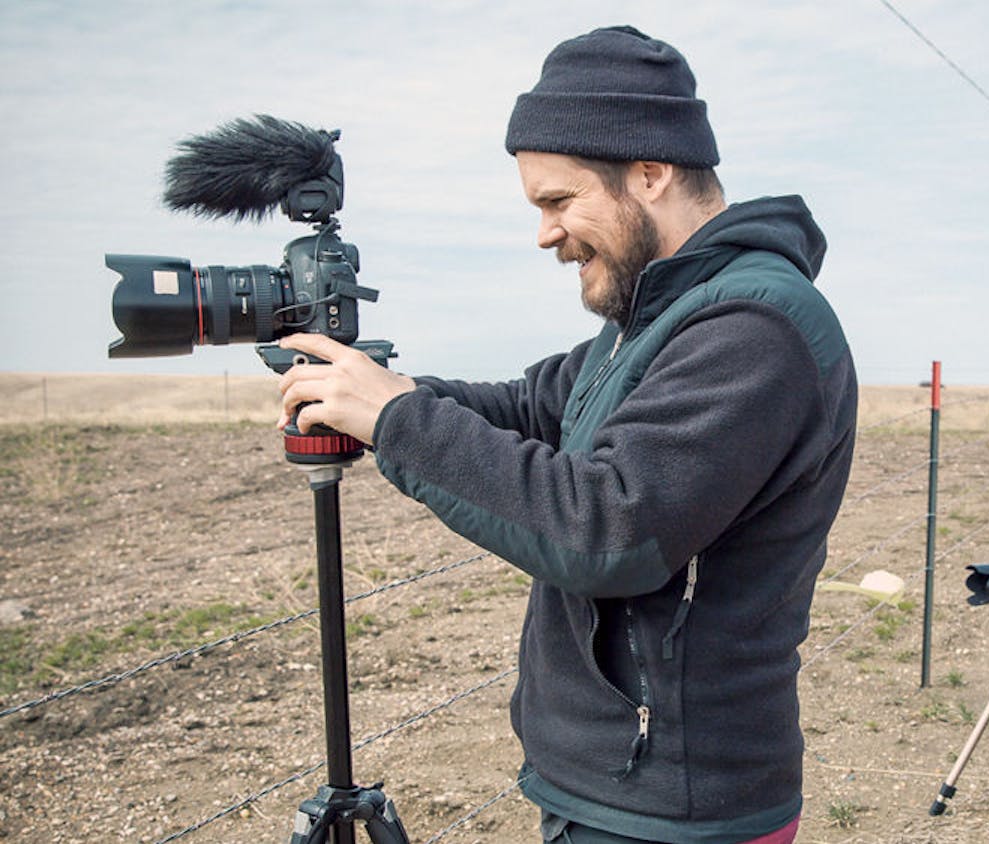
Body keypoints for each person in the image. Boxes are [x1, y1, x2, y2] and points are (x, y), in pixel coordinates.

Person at [275, 25, 858, 844]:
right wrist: (357, 392)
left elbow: (610, 528)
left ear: (649, 173)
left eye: (558, 201)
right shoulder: (654, 319)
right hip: (620, 786)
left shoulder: (753, 327)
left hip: (675, 808)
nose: (544, 233)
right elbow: (526, 405)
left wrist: (397, 419)